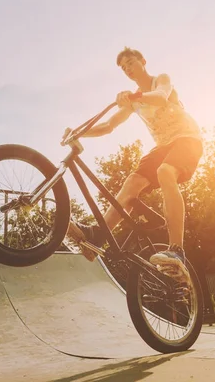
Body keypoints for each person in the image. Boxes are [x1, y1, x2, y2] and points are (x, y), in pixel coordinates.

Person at [64, 47, 203, 283]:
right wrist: (79, 132)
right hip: (163, 146)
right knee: (131, 184)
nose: (128, 69)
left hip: (187, 139)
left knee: (165, 172)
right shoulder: (133, 99)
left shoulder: (160, 80)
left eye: (131, 63)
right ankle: (97, 236)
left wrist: (134, 96)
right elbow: (108, 126)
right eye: (124, 67)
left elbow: (160, 96)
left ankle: (177, 250)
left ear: (143, 62)